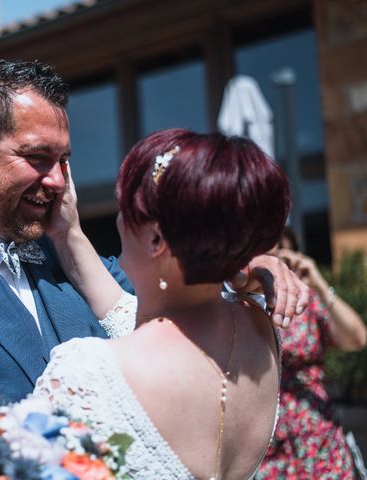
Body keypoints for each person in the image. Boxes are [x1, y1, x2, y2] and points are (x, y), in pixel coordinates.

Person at [0, 59, 307, 479]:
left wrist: (241, 260)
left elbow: (166, 309)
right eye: (36, 158)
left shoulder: (64, 253)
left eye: (65, 160)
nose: (56, 181)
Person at [34, 129, 291, 479]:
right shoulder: (261, 329)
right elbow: (136, 319)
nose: (118, 220)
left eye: (125, 208)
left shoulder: (85, 371)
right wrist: (68, 233)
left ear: (155, 237)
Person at [255, 228, 367, 479]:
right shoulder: (243, 304)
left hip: (319, 439)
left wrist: (318, 282)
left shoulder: (307, 299)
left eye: (284, 251)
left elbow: (357, 338)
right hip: (268, 449)